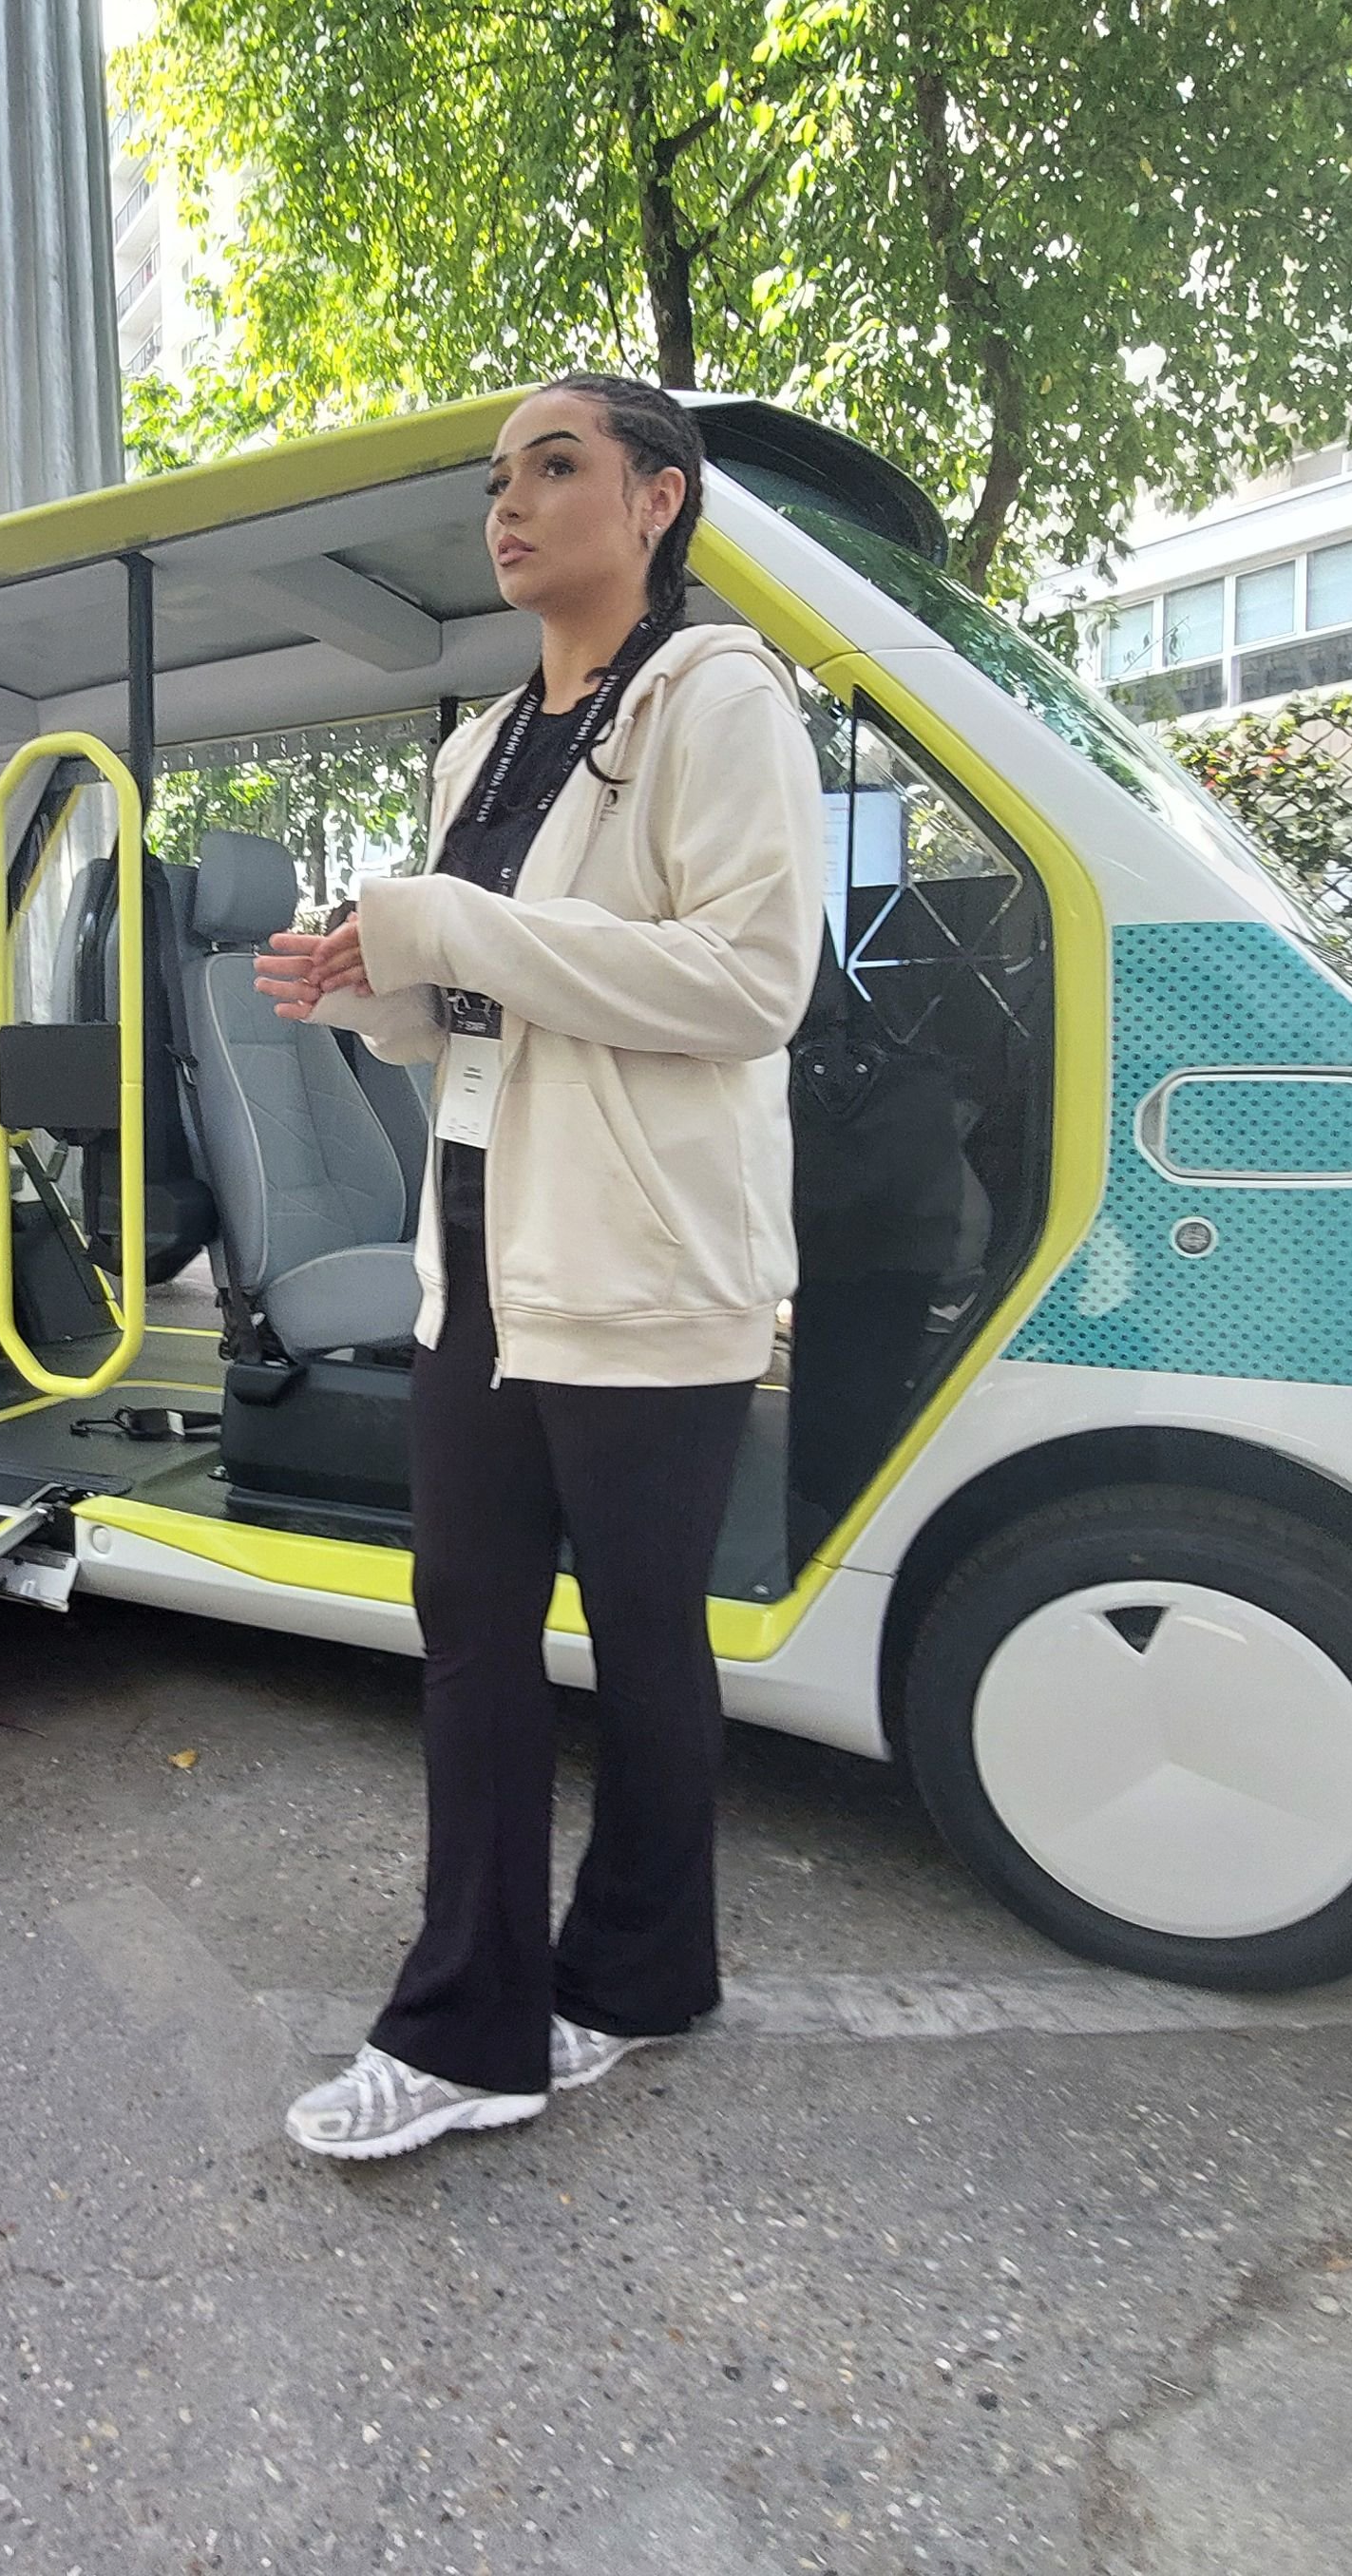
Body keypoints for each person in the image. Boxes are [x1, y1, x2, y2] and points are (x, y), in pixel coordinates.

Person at [255, 374, 824, 2160]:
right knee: (471, 1639)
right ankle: (472, 2026)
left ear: (658, 498)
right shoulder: (478, 744)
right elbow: (482, 1017)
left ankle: (644, 1973)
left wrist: (448, 926)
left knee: (650, 1643)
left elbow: (750, 984)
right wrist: (379, 990)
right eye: (498, 479)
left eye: (555, 467)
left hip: (649, 1254)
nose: (509, 505)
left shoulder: (716, 696)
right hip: (483, 1243)